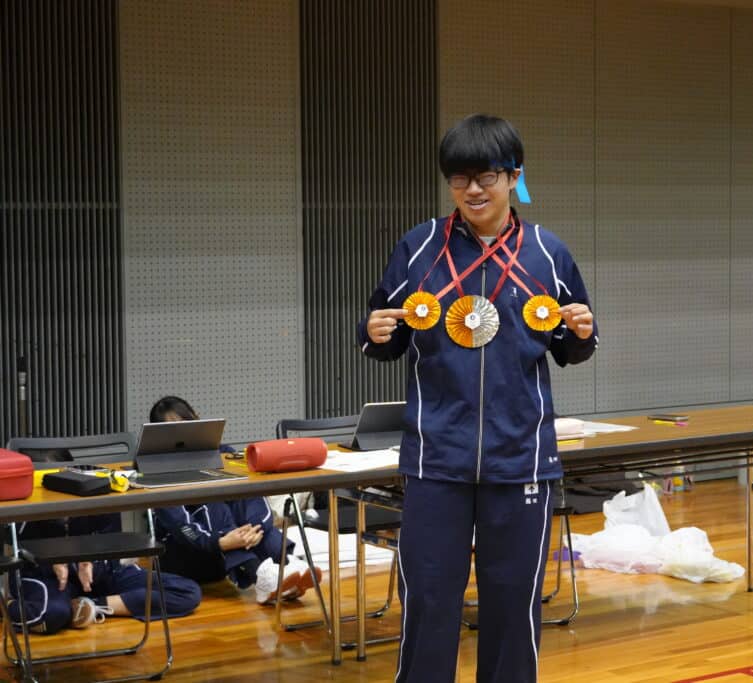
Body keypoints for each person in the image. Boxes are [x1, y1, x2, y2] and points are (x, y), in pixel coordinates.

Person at [358, 114, 597, 683]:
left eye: (486, 176)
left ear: (514, 176)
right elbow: (383, 337)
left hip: (521, 461)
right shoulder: (419, 247)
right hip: (436, 460)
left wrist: (583, 332)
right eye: (459, 178)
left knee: (513, 607)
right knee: (429, 601)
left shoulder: (548, 253)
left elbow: (571, 346)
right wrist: (374, 333)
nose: (472, 190)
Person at [148, 396, 320, 603]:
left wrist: (255, 530)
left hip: (225, 554)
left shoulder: (224, 454)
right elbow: (179, 524)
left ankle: (287, 567)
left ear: (198, 419)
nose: (183, 434)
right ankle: (262, 578)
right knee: (214, 504)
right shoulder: (153, 468)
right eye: (173, 430)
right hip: (187, 556)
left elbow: (254, 497)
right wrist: (220, 541)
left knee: (243, 500)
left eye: (187, 424)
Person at [8, 506, 201, 633]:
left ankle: (90, 606)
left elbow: (111, 539)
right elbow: (12, 539)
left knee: (187, 592)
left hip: (101, 572)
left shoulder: (97, 489)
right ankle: (6, 606)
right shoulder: (25, 500)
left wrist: (90, 558)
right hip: (48, 578)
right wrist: (49, 555)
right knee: (53, 614)